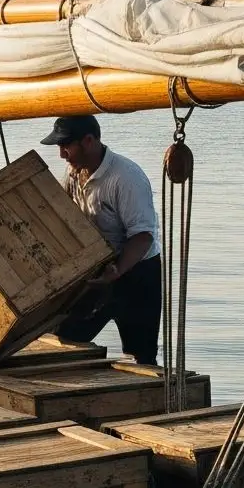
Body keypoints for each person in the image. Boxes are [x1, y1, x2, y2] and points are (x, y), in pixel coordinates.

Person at [47, 114, 162, 365]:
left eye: (66, 146)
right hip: (98, 268)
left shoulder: (126, 177)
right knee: (64, 336)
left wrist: (118, 270)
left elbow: (143, 236)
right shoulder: (73, 174)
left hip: (138, 272)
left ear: (88, 141)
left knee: (140, 356)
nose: (62, 154)